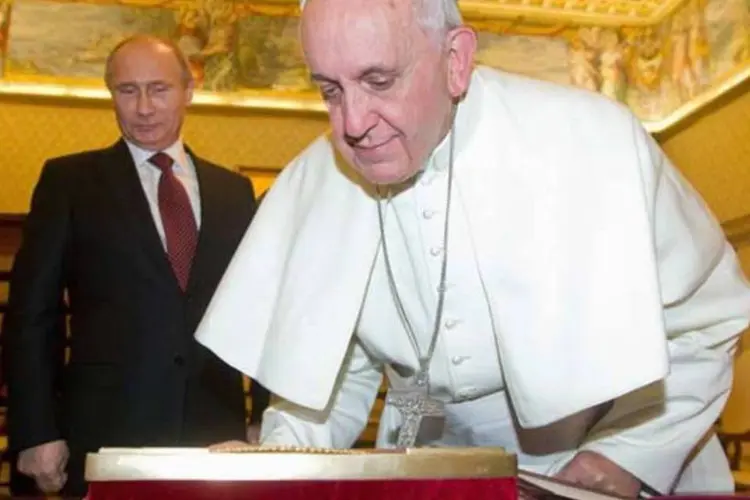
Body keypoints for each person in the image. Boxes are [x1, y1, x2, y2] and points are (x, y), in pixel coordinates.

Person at [195, 0, 750, 496]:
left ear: (455, 61)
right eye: (330, 91)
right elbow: (328, 373)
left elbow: (711, 323)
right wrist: (277, 459)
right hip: (426, 470)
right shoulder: (317, 182)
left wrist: (622, 455)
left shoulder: (591, 141)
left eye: (379, 80)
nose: (354, 124)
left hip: (595, 464)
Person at [1, 34, 268, 497]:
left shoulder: (234, 192)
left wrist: (266, 418)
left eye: (159, 89)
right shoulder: (69, 182)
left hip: (216, 439)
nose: (144, 107)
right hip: (105, 438)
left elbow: (262, 314)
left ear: (189, 90)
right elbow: (31, 317)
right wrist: (35, 430)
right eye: (128, 90)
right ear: (111, 95)